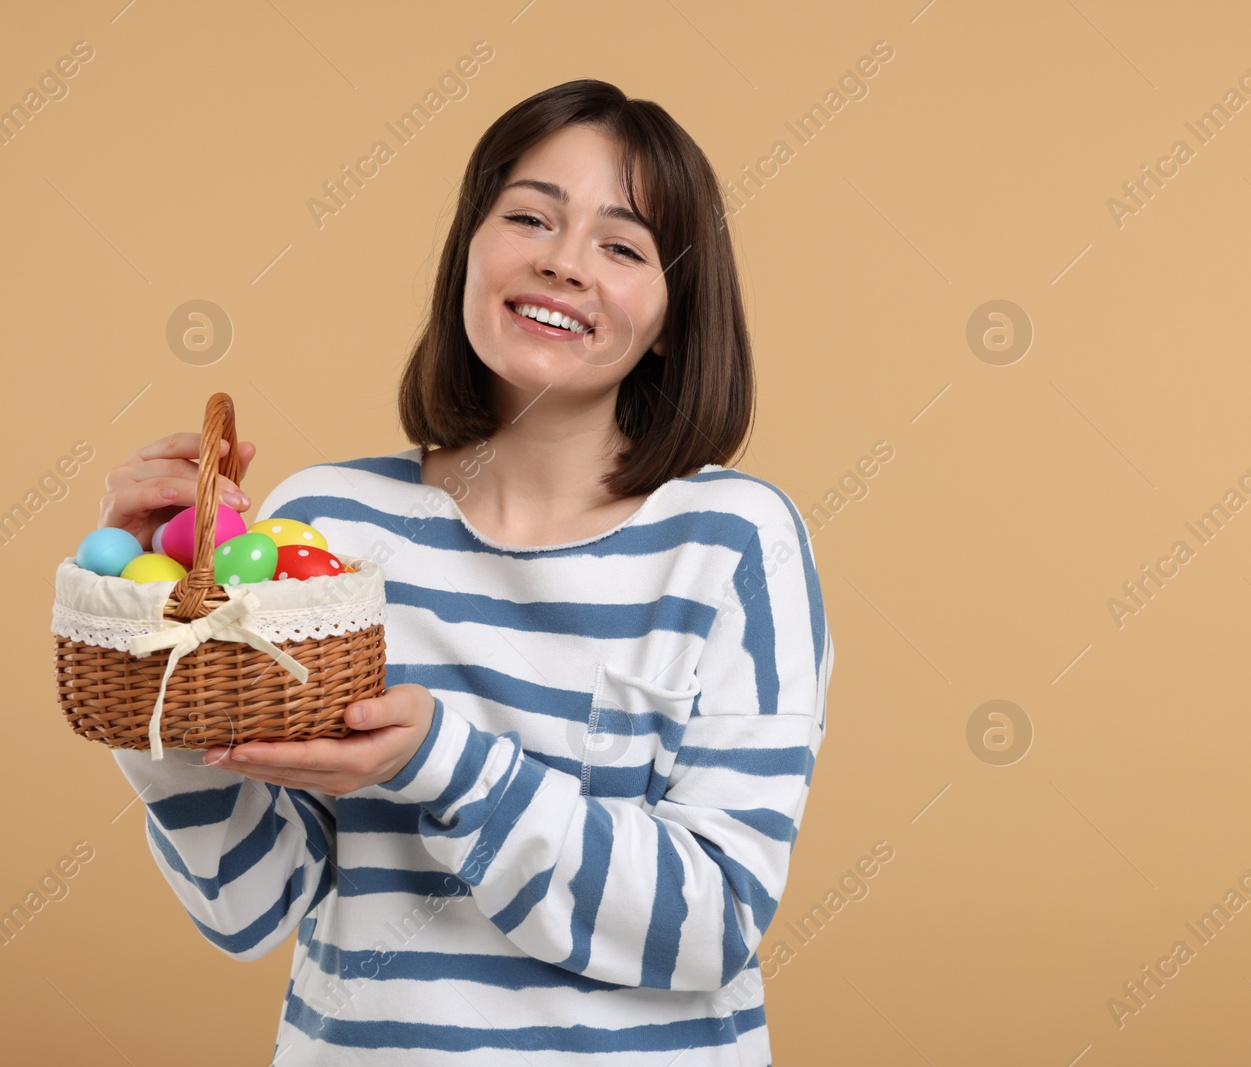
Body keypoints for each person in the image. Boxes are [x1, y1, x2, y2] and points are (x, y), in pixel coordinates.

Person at [99, 79, 833, 1066]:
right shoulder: (330, 527)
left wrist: (439, 757)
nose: (562, 261)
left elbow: (706, 925)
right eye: (529, 216)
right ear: (469, 253)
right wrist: (154, 656)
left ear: (668, 318)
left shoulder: (733, 542)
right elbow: (250, 902)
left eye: (621, 245)